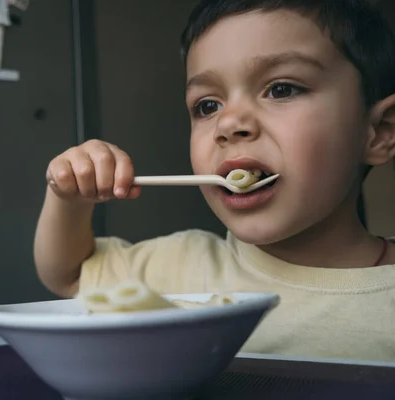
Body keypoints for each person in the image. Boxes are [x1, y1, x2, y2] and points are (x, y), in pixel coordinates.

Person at [34, 0, 395, 361]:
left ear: (378, 132)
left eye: (282, 88)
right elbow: (70, 276)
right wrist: (70, 198)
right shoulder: (179, 268)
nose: (227, 124)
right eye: (207, 106)